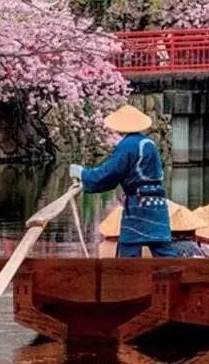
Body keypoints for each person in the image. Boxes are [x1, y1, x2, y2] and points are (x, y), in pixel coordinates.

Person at [72, 104, 181, 258]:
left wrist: (82, 173)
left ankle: (127, 279)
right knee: (163, 248)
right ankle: (176, 277)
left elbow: (109, 174)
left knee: (130, 249)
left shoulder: (127, 145)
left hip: (139, 203)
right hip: (158, 203)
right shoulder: (149, 143)